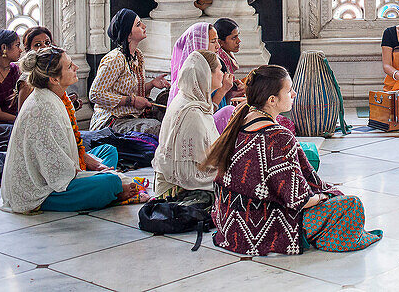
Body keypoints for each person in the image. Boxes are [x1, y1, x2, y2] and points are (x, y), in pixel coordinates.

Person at [202, 65, 381, 255]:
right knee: (351, 205)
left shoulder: (240, 117)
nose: (294, 94)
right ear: (272, 100)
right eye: (289, 90)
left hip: (228, 225)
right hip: (260, 227)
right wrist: (322, 197)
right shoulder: (278, 136)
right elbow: (299, 200)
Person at [0, 47, 138, 213]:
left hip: (60, 170)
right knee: (111, 182)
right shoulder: (43, 109)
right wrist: (96, 170)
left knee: (109, 151)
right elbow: (56, 171)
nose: (76, 68)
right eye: (69, 66)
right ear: (54, 79)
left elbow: (67, 152)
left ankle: (106, 187)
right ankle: (112, 191)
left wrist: (93, 164)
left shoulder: (55, 96)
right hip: (42, 191)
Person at [88, 9, 170, 134]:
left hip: (133, 115)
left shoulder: (138, 55)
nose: (144, 26)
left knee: (170, 116)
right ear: (128, 34)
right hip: (113, 120)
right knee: (155, 127)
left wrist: (152, 84)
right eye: (138, 25)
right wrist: (131, 101)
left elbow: (133, 91)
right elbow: (95, 94)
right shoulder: (115, 59)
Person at [152, 50, 221, 198]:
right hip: (175, 192)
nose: (222, 74)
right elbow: (189, 174)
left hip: (184, 184)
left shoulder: (193, 102)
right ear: (207, 75)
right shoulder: (191, 113)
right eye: (219, 70)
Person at [168, 22, 231, 106]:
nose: (218, 46)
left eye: (217, 41)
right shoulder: (192, 77)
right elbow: (203, 113)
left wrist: (230, 92)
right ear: (198, 44)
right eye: (213, 42)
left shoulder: (212, 68)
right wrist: (222, 90)